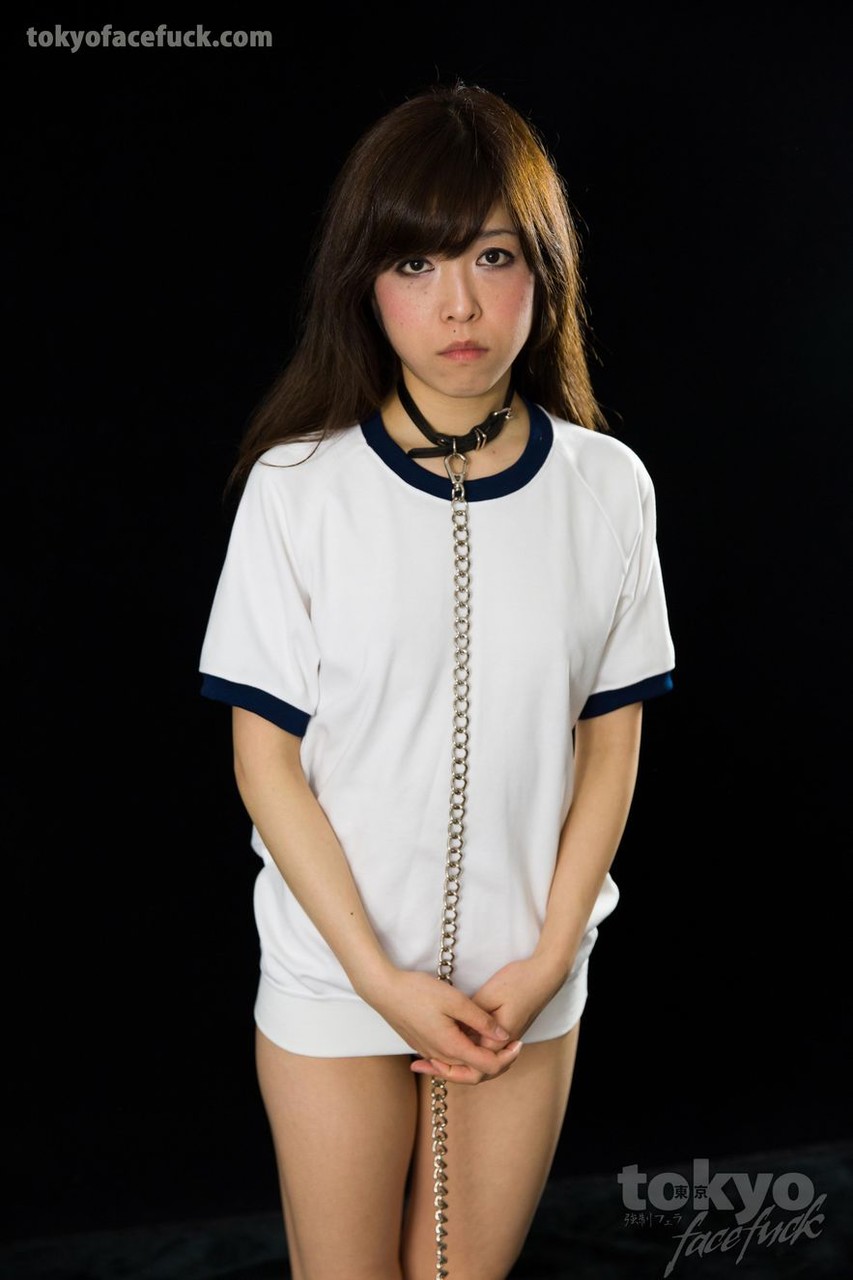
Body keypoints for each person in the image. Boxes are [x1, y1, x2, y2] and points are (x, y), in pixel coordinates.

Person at [199, 79, 675, 1280]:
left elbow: (609, 744)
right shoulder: (297, 491)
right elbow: (265, 761)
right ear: (365, 283)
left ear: (545, 273)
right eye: (415, 263)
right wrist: (379, 978)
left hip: (522, 988)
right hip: (335, 977)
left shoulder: (607, 488)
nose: (457, 302)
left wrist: (548, 955)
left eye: (492, 256)